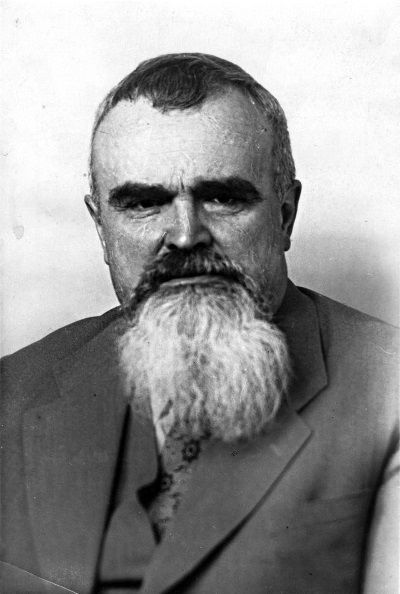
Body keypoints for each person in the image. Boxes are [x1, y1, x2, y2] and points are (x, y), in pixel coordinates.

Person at [1, 53, 398, 594]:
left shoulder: (390, 390)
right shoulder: (11, 394)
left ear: (285, 215)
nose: (186, 235)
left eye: (222, 197)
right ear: (101, 228)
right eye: (143, 203)